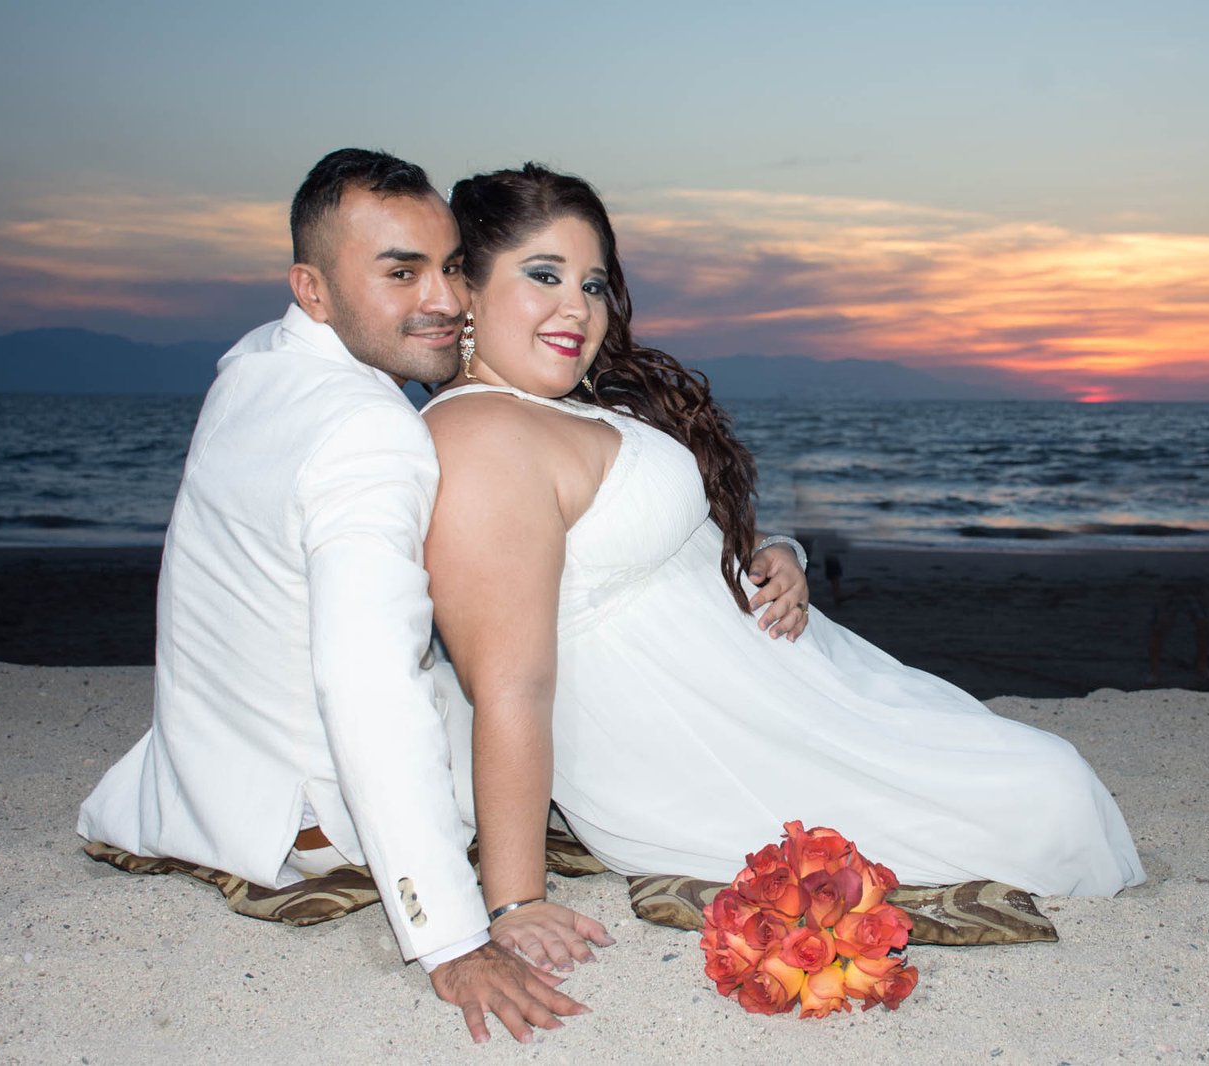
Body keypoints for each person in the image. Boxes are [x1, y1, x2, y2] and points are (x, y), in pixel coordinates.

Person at [422, 164, 1146, 965]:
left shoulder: (556, 407)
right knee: (1045, 796)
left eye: (593, 284)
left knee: (1043, 779)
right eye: (544, 275)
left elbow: (660, 543)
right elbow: (508, 683)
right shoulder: (481, 438)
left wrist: (775, 554)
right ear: (466, 289)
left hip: (793, 698)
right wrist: (516, 900)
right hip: (705, 749)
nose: (578, 308)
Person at [76, 149, 599, 1045]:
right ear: (312, 289)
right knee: (557, 686)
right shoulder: (372, 434)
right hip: (314, 822)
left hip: (202, 787)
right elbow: (368, 686)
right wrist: (451, 939)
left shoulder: (253, 364)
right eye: (401, 273)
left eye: (453, 268)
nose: (446, 300)